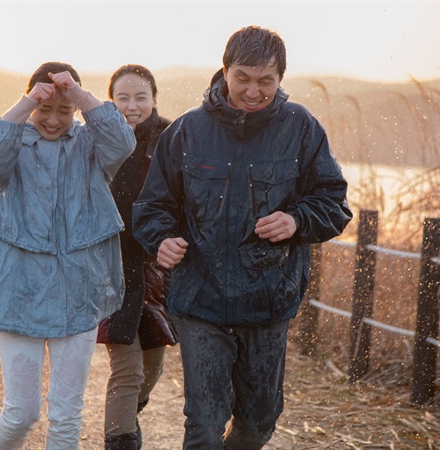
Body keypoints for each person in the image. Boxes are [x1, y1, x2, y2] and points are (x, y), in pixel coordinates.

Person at [133, 26, 353, 449]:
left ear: (281, 78)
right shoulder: (186, 131)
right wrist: (161, 238)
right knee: (204, 424)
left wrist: (296, 220)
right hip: (199, 298)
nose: (253, 91)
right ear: (225, 71)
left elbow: (334, 203)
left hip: (269, 299)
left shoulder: (302, 127)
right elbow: (151, 207)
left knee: (257, 424)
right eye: (243, 78)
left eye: (265, 81)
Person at [0, 61, 136, 449]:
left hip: (77, 292)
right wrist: (27, 102)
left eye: (65, 111)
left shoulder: (90, 145)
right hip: (18, 292)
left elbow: (123, 141)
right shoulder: (12, 145)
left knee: (66, 414)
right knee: (21, 410)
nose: (53, 119)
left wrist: (79, 94)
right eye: (45, 110)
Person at [96, 64, 173, 450]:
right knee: (127, 370)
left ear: (154, 99)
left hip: (157, 273)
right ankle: (121, 436)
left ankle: (128, 413)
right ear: (110, 101)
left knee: (152, 368)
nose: (131, 105)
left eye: (140, 97)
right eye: (122, 97)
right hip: (112, 271)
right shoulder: (99, 141)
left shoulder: (171, 139)